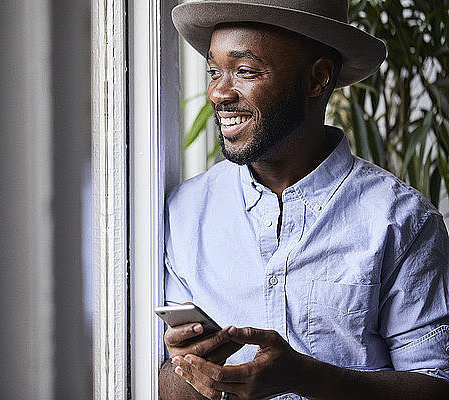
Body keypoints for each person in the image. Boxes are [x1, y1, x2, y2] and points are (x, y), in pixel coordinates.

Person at [159, 1, 449, 399]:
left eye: (245, 72)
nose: (218, 92)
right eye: (214, 71)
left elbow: (436, 384)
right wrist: (189, 372)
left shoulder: (402, 221)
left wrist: (305, 377)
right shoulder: (182, 212)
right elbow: (165, 383)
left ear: (317, 79)